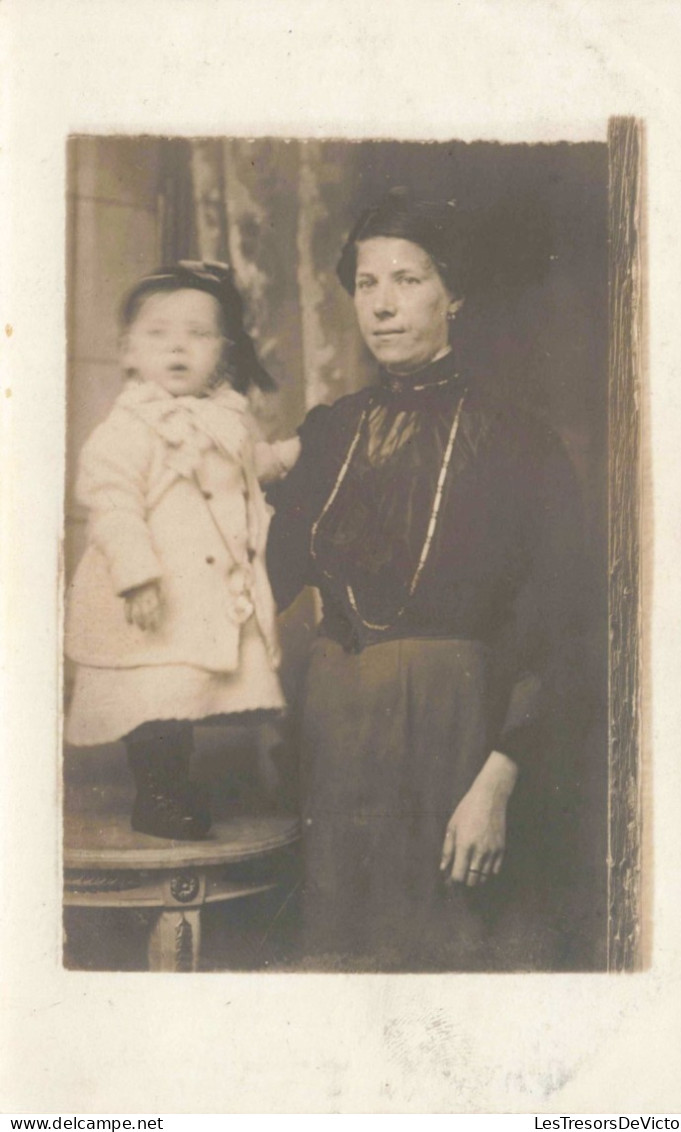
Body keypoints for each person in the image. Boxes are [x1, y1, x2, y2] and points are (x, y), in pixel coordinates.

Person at [267, 191, 584, 970]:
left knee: (451, 970)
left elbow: (561, 622)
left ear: (455, 294)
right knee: (342, 970)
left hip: (458, 739)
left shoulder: (518, 438)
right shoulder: (328, 434)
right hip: (334, 741)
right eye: (367, 284)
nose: (382, 305)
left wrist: (500, 781)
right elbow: (265, 581)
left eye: (407, 279)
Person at [65, 261, 300, 840]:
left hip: (197, 597)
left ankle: (173, 787)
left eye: (198, 334)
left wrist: (299, 451)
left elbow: (252, 466)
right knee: (150, 699)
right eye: (158, 334)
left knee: (177, 696)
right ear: (128, 352)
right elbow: (112, 501)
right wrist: (137, 576)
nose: (178, 347)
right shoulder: (130, 426)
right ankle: (158, 796)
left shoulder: (226, 418)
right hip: (151, 596)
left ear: (222, 351)